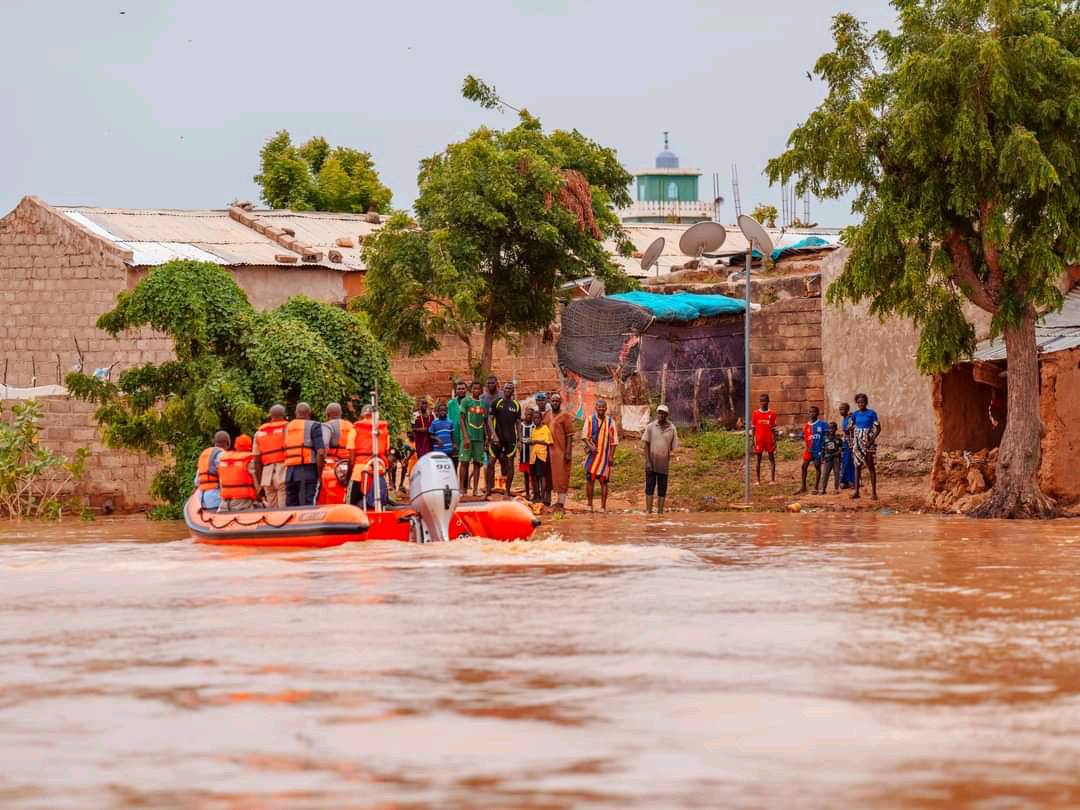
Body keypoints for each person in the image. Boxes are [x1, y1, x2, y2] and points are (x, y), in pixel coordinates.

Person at [347, 405, 391, 508]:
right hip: (378, 469)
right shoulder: (384, 430)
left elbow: (351, 457)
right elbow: (386, 451)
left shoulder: (355, 429)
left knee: (350, 504)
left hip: (359, 472)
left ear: (362, 415)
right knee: (380, 503)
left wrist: (349, 475)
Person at [284, 402, 325, 507]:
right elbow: (320, 452)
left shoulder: (287, 427)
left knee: (291, 506)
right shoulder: (314, 426)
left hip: (290, 473)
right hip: (308, 471)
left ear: (295, 413)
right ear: (309, 413)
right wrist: (320, 473)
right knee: (308, 504)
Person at [582, 399, 619, 512]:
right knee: (590, 481)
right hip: (592, 457)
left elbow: (614, 441)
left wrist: (611, 456)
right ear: (596, 408)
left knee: (604, 482)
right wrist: (590, 445)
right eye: (599, 407)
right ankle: (589, 505)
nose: (601, 409)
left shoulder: (610, 422)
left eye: (603, 407)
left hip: (604, 457)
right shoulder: (589, 420)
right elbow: (584, 436)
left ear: (606, 408)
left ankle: (603, 507)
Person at [642, 404, 678, 514]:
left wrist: (667, 455)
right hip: (651, 463)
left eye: (663, 413)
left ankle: (660, 512)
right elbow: (646, 445)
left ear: (667, 415)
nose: (660, 415)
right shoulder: (650, 427)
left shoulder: (672, 429)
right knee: (649, 486)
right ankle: (649, 510)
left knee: (662, 488)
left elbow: (673, 447)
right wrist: (648, 462)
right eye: (659, 412)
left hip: (664, 464)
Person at [490, 381, 522, 498]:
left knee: (510, 464)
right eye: (506, 388)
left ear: (513, 390)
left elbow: (518, 423)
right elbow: (489, 419)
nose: (508, 390)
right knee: (491, 462)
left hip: (511, 439)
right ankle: (489, 490)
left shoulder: (516, 405)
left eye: (510, 388)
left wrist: (519, 439)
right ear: (503, 390)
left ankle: (507, 491)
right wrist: (493, 435)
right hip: (497, 438)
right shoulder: (497, 402)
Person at [252, 404, 288, 508]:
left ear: (270, 416)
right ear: (284, 415)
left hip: (267, 475)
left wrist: (260, 484)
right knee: (284, 509)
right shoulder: (288, 428)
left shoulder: (259, 433)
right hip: (283, 471)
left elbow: (257, 461)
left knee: (272, 511)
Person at [851, 393, 882, 500]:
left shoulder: (872, 413)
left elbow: (878, 428)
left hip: (868, 441)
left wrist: (871, 440)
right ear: (857, 403)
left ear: (866, 402)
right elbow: (852, 426)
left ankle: (874, 493)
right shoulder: (855, 414)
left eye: (863, 402)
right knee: (857, 466)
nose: (861, 404)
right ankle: (856, 491)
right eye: (859, 402)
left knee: (870, 466)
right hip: (858, 441)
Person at [459, 381, 488, 496]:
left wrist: (486, 439)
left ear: (481, 390)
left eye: (478, 389)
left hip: (479, 438)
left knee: (477, 463)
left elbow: (485, 421)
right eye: (474, 388)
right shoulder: (466, 401)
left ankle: (475, 489)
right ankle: (462, 489)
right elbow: (461, 419)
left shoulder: (483, 403)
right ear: (471, 390)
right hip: (468, 438)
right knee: (464, 462)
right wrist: (465, 436)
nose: (476, 391)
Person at [218, 434, 259, 511]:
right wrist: (259, 496)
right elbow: (256, 483)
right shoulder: (249, 460)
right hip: (243, 503)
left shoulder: (224, 459)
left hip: (224, 503)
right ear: (250, 446)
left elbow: (221, 483)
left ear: (236, 445)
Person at [548, 391, 574, 511]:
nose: (555, 403)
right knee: (553, 476)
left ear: (560, 402)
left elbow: (569, 435)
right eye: (553, 401)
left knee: (562, 476)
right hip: (550, 452)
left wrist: (568, 452)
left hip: (562, 451)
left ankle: (561, 502)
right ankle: (555, 501)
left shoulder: (565, 416)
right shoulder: (548, 415)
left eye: (557, 401)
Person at [796, 405, 829, 495]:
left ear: (817, 413)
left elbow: (826, 437)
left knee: (817, 466)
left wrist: (823, 450)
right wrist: (806, 447)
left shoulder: (822, 424)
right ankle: (803, 487)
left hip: (818, 450)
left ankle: (816, 487)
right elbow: (806, 438)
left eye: (814, 412)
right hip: (809, 450)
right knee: (804, 466)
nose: (812, 413)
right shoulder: (806, 426)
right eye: (810, 412)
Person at [195, 430, 231, 510]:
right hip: (216, 498)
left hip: (202, 499)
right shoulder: (222, 455)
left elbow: (197, 481)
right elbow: (225, 478)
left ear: (214, 442)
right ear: (227, 443)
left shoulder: (204, 454)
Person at [751, 393, 778, 484]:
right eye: (761, 401)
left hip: (769, 440)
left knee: (771, 458)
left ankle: (772, 480)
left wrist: (775, 441)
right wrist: (752, 440)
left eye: (765, 400)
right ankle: (758, 480)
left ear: (768, 401)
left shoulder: (772, 414)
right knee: (758, 459)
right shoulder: (755, 413)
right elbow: (753, 428)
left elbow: (774, 429)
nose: (763, 402)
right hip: (759, 440)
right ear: (760, 402)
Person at [480, 375, 500, 496]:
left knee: (504, 462)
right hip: (487, 434)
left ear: (496, 383)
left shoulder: (502, 396)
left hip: (502, 433)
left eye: (492, 383)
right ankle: (489, 487)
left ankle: (502, 487)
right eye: (488, 383)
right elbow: (483, 419)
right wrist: (486, 437)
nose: (490, 385)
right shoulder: (483, 399)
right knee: (488, 463)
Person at [528, 408, 553, 504]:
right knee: (534, 476)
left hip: (541, 456)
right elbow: (532, 441)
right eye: (534, 418)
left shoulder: (545, 428)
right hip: (533, 456)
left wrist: (536, 441)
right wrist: (530, 442)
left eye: (538, 418)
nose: (536, 420)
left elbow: (548, 442)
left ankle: (543, 497)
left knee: (542, 476)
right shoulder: (533, 429)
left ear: (541, 419)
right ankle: (536, 495)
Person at [816, 423, 844, 495]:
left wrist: (838, 453)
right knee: (825, 473)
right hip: (827, 458)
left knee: (836, 473)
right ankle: (823, 489)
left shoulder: (838, 439)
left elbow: (842, 448)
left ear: (836, 429)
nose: (831, 430)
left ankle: (836, 489)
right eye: (830, 428)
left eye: (833, 428)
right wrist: (822, 458)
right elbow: (822, 449)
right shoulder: (825, 438)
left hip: (836, 459)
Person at [446, 379, 468, 470]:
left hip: (466, 436)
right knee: (454, 464)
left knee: (465, 464)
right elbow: (448, 420)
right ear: (456, 390)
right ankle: (454, 483)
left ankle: (464, 484)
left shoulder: (469, 402)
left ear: (466, 390)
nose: (461, 390)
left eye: (463, 388)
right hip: (454, 437)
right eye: (459, 389)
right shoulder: (451, 404)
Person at [519, 405, 536, 501]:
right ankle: (527, 493)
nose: (528, 416)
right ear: (524, 415)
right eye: (527, 414)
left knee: (532, 474)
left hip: (532, 455)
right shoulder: (521, 426)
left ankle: (534, 492)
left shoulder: (534, 426)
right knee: (525, 475)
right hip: (524, 454)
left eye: (530, 415)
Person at [839, 402, 856, 489]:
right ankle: (844, 480)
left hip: (851, 443)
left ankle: (851, 481)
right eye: (840, 409)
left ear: (847, 410)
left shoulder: (850, 418)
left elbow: (849, 429)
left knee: (849, 461)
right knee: (845, 461)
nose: (841, 411)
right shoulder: (844, 419)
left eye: (843, 409)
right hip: (846, 442)